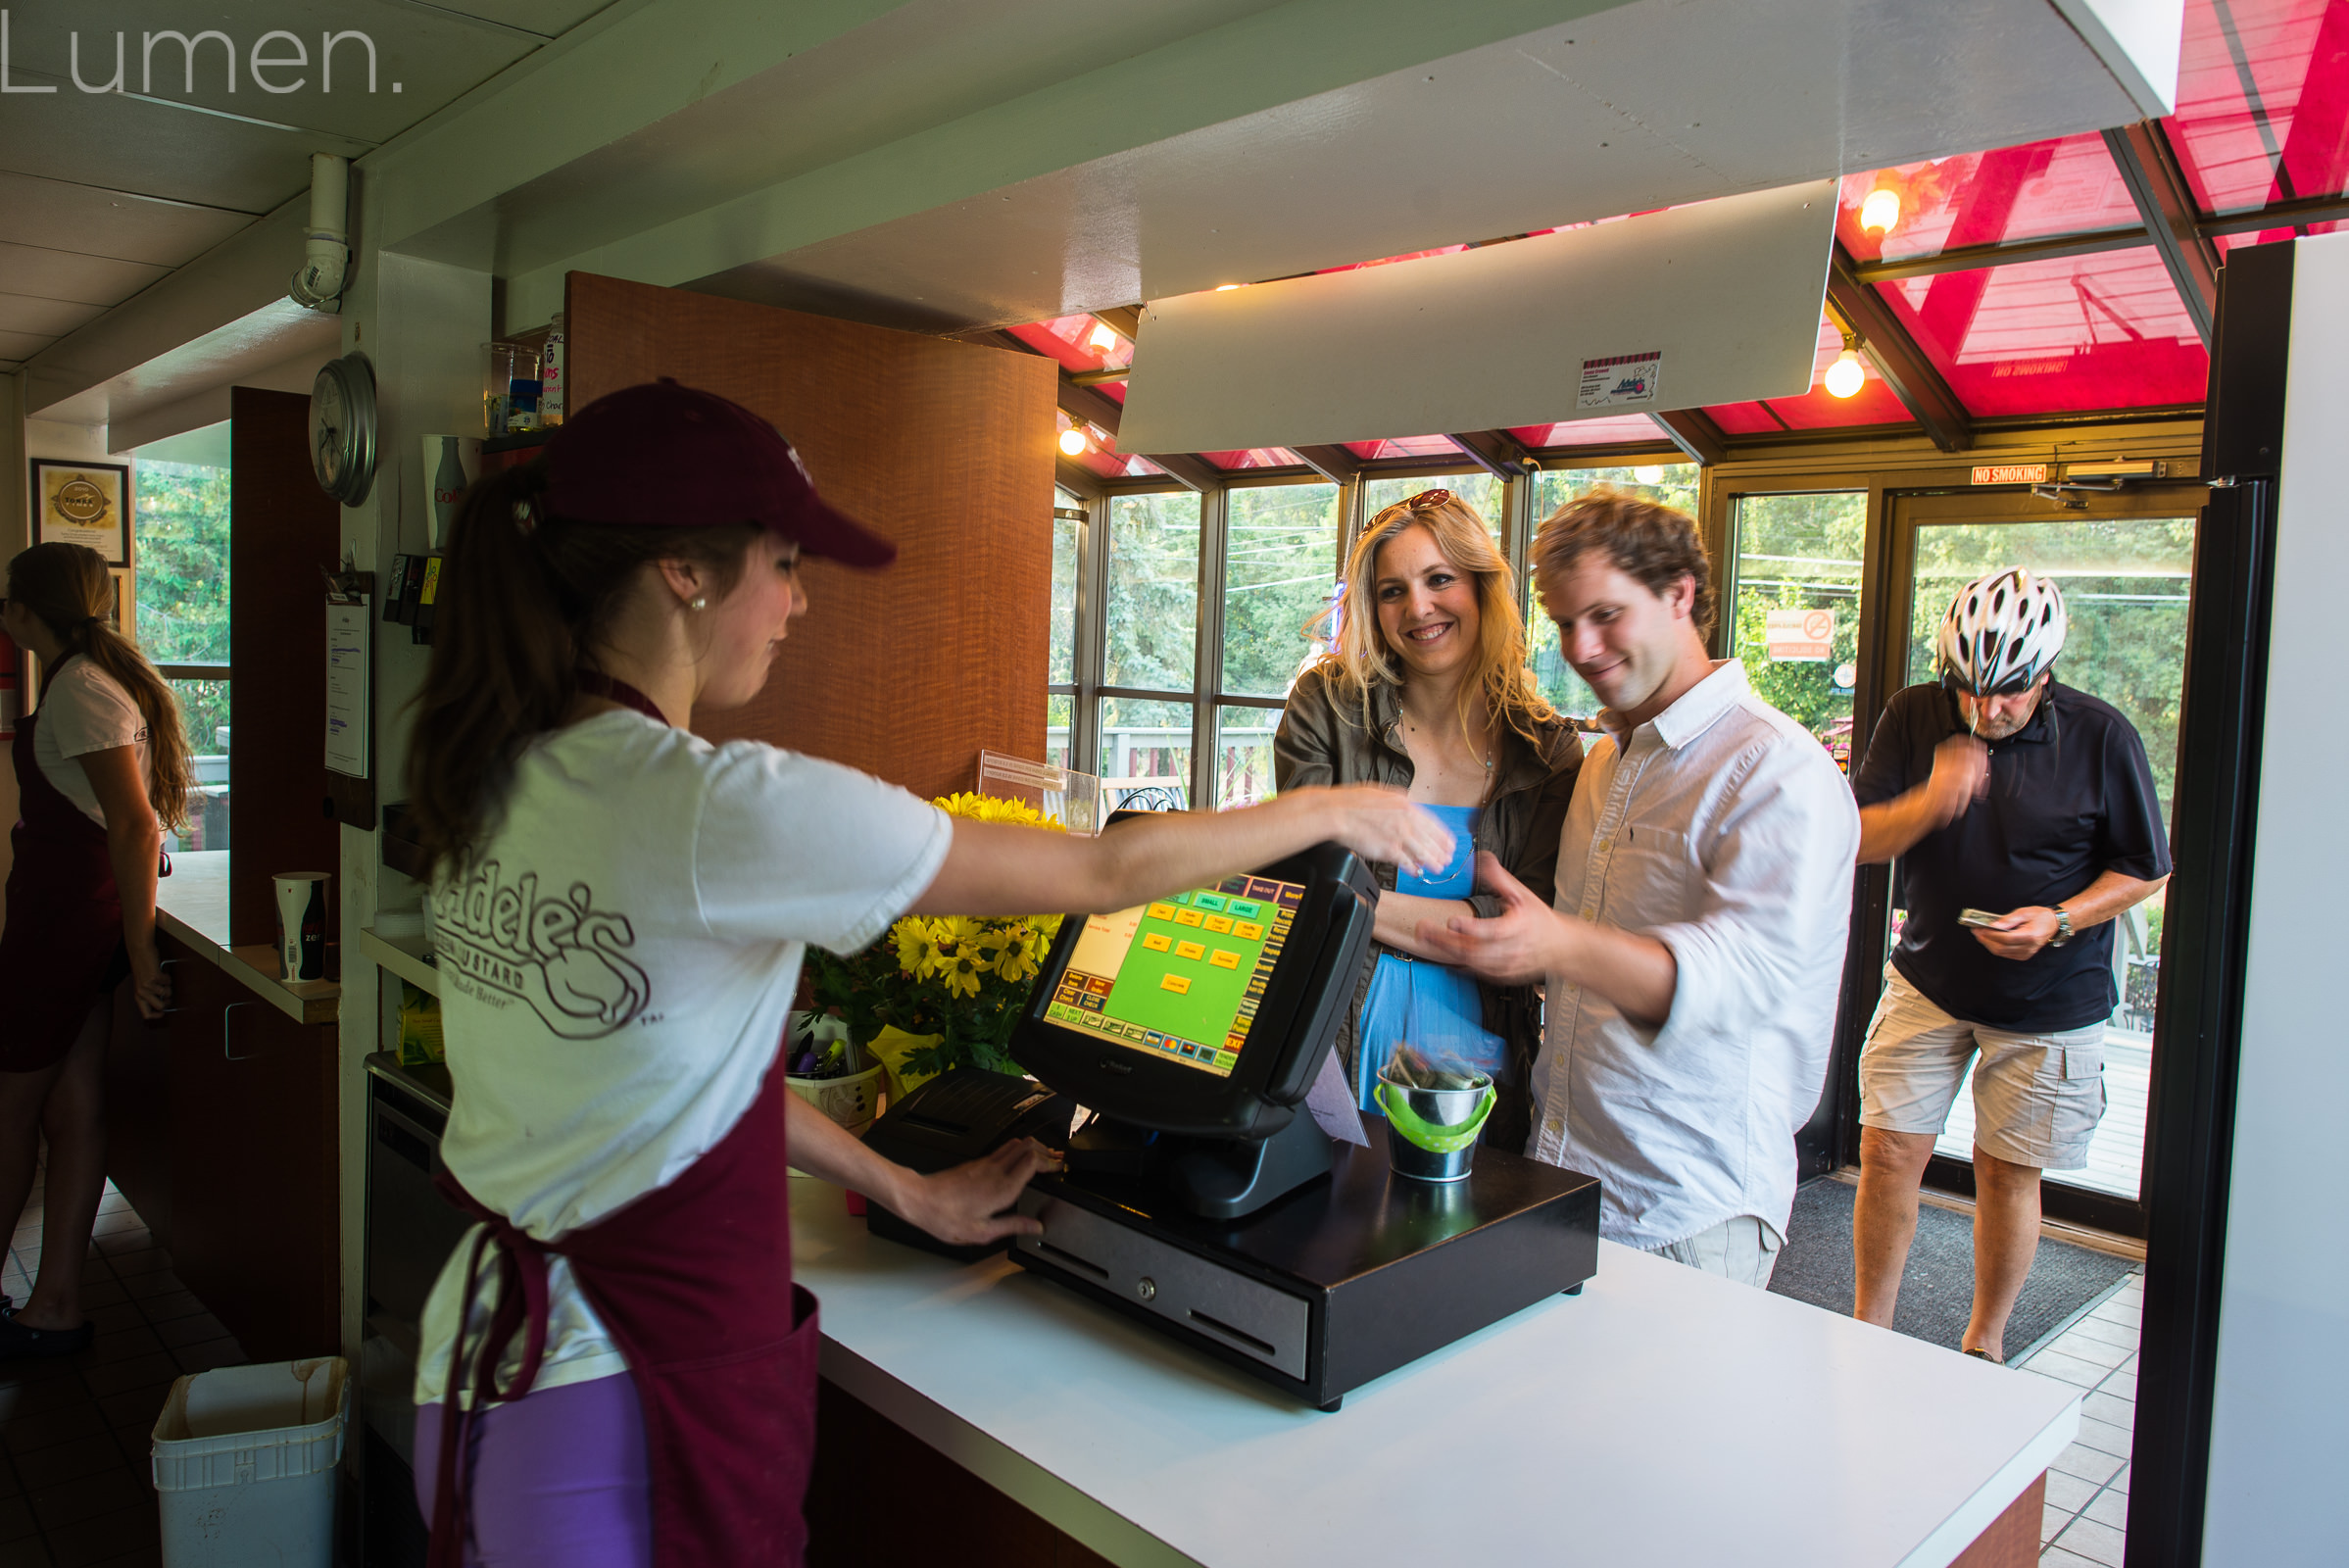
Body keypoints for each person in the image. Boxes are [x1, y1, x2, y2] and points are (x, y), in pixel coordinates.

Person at [402, 379, 1449, 1568]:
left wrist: (908, 1193)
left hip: (485, 1363)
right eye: (785, 563)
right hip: (626, 1399)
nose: (796, 604)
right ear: (686, 572)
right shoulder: (711, 807)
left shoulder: (500, 770)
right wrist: (1331, 809)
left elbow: (675, 1085)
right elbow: (1109, 871)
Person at [1419, 490, 1858, 1287]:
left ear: (1679, 594)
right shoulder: (1603, 763)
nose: (1582, 647)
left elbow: (1737, 983)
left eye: (1606, 615)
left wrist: (1556, 943)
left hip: (1687, 1208)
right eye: (1562, 623)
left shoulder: (1775, 769)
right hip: (1565, 1176)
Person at [1848, 568, 2170, 1362]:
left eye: (2009, 692)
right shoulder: (1913, 714)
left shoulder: (2103, 736)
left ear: (2046, 670)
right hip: (1926, 978)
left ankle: (1983, 1345)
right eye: (1968, 689)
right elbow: (1856, 839)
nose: (1986, 709)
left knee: (2004, 1173)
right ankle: (1865, 1336)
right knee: (1887, 1153)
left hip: (2051, 997)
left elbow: (2146, 869)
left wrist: (2058, 919)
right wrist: (1933, 797)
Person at [1273, 488, 1581, 1150]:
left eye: (1439, 579)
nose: (1418, 607)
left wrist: (1354, 904)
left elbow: (1523, 931)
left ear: (1481, 588)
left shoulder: (1546, 750)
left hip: (1477, 1057)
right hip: (1331, 1033)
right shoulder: (1325, 708)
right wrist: (1461, 923)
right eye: (1392, 591)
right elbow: (1299, 879)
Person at [0, 543, 185, 1357]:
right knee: (73, 1112)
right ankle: (54, 1308)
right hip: (71, 920)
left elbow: (136, 823)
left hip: (62, 925)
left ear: (24, 613)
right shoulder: (89, 681)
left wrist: (142, 953)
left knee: (9, 1113)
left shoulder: (78, 690)